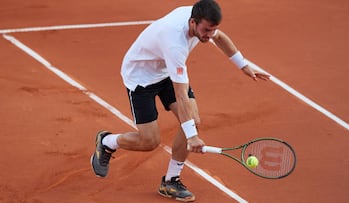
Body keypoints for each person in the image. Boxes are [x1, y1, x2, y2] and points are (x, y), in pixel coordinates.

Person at [91, 0, 270, 202]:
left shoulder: (201, 21)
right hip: (140, 78)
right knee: (150, 141)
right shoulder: (175, 42)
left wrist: (243, 65)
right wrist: (192, 137)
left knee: (193, 121)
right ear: (192, 22)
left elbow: (220, 37)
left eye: (212, 29)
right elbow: (181, 94)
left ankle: (170, 181)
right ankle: (107, 141)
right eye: (206, 30)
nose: (209, 35)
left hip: (165, 71)